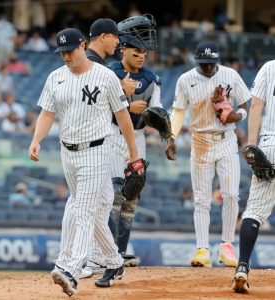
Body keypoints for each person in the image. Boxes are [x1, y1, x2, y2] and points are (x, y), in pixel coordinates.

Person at [28, 28, 145, 296]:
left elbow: (124, 117)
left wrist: (133, 154)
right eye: (62, 52)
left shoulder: (105, 77)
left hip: (96, 150)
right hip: (66, 152)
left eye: (70, 50)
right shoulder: (55, 77)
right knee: (95, 206)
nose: (66, 56)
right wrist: (36, 139)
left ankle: (69, 269)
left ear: (82, 45)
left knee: (82, 209)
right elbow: (47, 114)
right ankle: (114, 262)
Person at [84, 14, 162, 273]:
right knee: (115, 196)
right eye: (137, 51)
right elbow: (103, 108)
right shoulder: (109, 72)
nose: (142, 56)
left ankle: (119, 252)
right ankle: (106, 255)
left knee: (131, 197)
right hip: (114, 136)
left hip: (138, 138)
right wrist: (129, 104)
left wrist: (156, 118)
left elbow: (158, 112)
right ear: (124, 49)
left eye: (145, 53)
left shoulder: (152, 78)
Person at [165, 40, 251, 268]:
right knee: (201, 200)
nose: (208, 68)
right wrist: (172, 137)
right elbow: (179, 111)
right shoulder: (185, 80)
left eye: (211, 63)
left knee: (231, 195)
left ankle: (226, 246)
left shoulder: (230, 75)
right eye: (204, 64)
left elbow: (246, 103)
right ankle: (202, 249)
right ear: (197, 61)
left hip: (226, 139)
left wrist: (237, 117)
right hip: (200, 141)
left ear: (217, 60)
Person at [232, 60, 275, 293]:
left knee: (255, 212)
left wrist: (251, 145)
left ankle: (242, 266)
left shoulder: (269, 67)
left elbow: (256, 107)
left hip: (270, 144)